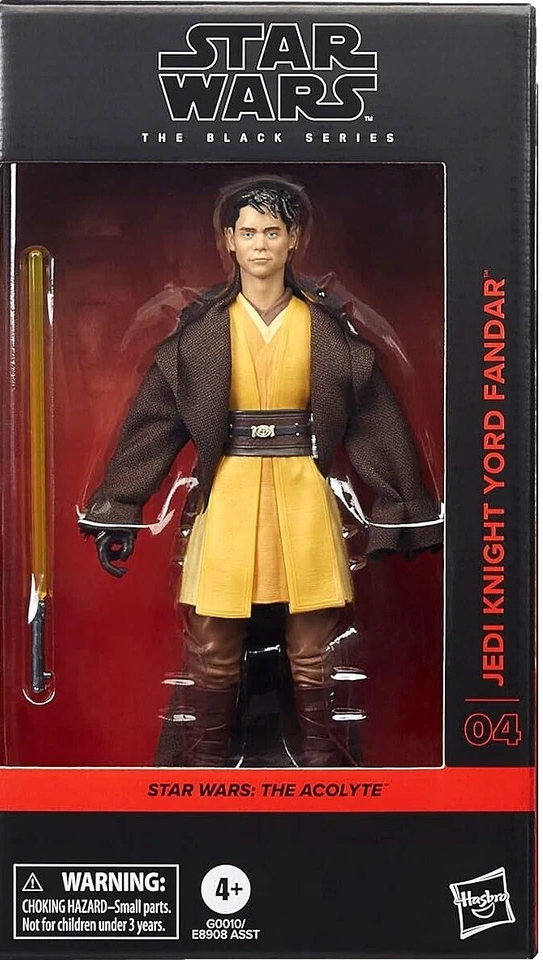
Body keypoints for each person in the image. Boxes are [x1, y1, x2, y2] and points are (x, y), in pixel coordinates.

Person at [79, 175, 442, 767]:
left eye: (272, 232)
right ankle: (204, 764)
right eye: (248, 232)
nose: (260, 245)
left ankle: (323, 764)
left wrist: (403, 505)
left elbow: (373, 415)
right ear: (228, 239)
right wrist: (120, 504)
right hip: (230, 491)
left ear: (294, 238)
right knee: (214, 641)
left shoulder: (325, 329)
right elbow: (156, 423)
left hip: (303, 492)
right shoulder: (203, 332)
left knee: (314, 643)